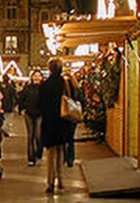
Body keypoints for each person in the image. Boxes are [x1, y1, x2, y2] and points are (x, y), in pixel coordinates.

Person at [38, 58, 72, 194]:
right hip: (62, 120)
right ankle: (61, 179)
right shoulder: (64, 84)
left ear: (50, 69)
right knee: (60, 152)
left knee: (50, 153)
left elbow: (40, 105)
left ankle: (49, 181)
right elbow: (71, 98)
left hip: (48, 122)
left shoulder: (44, 85)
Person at [18, 70, 44, 166]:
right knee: (30, 136)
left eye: (38, 76)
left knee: (38, 135)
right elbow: (21, 98)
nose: (37, 77)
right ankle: (31, 158)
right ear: (32, 77)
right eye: (35, 76)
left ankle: (39, 152)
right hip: (29, 113)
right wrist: (22, 108)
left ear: (41, 77)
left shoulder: (43, 88)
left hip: (40, 114)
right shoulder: (27, 88)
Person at [63, 72, 81, 167]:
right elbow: (81, 99)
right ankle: (70, 158)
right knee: (70, 138)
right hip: (73, 115)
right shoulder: (76, 88)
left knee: (63, 138)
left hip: (64, 114)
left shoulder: (63, 89)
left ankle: (64, 157)